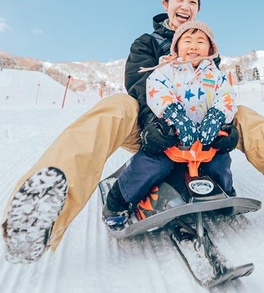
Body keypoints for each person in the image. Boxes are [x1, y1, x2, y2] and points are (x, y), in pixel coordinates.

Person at [3, 0, 264, 264]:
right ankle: (40, 216)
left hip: (201, 132)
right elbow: (139, 84)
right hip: (150, 130)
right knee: (116, 106)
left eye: (193, 2)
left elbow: (219, 94)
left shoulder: (206, 49)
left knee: (244, 114)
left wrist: (225, 127)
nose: (185, 6)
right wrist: (158, 122)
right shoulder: (146, 43)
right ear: (166, 4)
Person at [102, 21, 239, 229]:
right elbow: (156, 91)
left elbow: (226, 97)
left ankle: (225, 193)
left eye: (201, 41)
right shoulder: (167, 70)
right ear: (176, 47)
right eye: (187, 41)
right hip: (170, 137)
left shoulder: (215, 74)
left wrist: (218, 116)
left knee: (219, 163)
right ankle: (117, 201)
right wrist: (174, 115)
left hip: (204, 140)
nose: (194, 46)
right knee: (152, 165)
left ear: (210, 49)